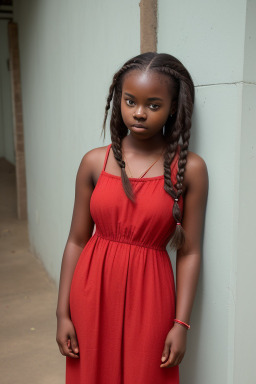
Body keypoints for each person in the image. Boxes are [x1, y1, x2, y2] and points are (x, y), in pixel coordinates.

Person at [56, 52, 208, 384]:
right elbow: (76, 240)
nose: (139, 113)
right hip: (91, 292)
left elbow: (191, 251)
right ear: (118, 101)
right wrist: (62, 312)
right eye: (130, 101)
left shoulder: (191, 169)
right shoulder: (94, 162)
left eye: (154, 105)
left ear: (173, 107)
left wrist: (181, 324)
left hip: (151, 296)